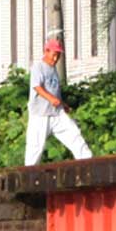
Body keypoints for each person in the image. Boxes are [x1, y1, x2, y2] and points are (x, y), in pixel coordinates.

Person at [25, 38, 93, 166]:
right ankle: (27, 178)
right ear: (46, 51)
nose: (56, 58)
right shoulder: (38, 67)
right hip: (40, 115)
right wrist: (51, 99)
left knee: (75, 135)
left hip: (56, 113)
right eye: (54, 54)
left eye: (58, 55)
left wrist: (62, 104)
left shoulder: (53, 69)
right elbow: (37, 87)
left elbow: (54, 90)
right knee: (35, 148)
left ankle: (88, 164)